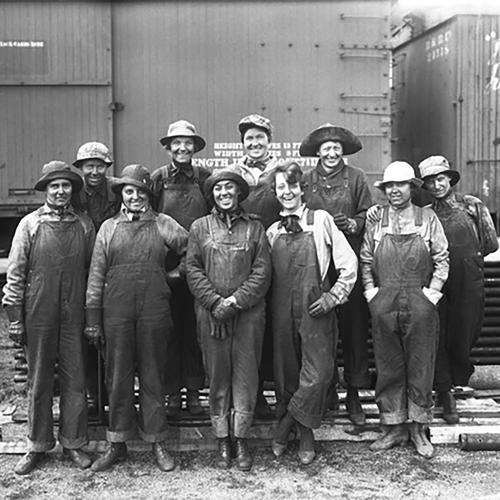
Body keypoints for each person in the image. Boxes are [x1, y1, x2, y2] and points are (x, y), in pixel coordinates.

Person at [85, 164, 188, 472]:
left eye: (140, 191)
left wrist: (174, 274)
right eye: (129, 191)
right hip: (116, 312)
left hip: (154, 310)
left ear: (148, 194)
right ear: (122, 195)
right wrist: (93, 318)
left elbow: (192, 250)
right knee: (117, 377)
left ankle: (157, 441)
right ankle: (116, 443)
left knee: (153, 375)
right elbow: (95, 275)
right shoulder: (108, 228)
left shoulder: (164, 223)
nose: (135, 196)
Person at [2, 161, 95, 475]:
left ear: (71, 190)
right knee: (39, 381)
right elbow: (14, 275)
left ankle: (73, 442)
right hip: (38, 312)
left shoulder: (84, 224)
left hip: (74, 314)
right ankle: (36, 445)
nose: (60, 191)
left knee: (75, 380)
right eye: (54, 186)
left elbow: (94, 274)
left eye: (65, 185)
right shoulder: (28, 224)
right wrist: (15, 317)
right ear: (45, 190)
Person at [267, 161, 358, 464]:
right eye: (281, 187)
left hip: (315, 307)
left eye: (292, 186)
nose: (287, 192)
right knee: (286, 372)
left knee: (318, 374)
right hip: (281, 309)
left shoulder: (321, 221)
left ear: (302, 189)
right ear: (275, 192)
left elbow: (349, 264)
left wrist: (334, 297)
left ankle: (288, 427)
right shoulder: (271, 232)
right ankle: (303, 431)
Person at [360, 161, 449, 458]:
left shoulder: (428, 217)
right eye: (389, 186)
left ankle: (419, 428)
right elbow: (365, 261)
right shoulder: (377, 219)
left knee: (421, 363)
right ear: (384, 190)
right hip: (384, 300)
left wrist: (432, 294)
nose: (394, 191)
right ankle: (394, 426)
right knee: (388, 365)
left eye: (400, 185)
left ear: (412, 186)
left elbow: (442, 258)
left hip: (419, 300)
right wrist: (372, 293)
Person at [186, 169, 271, 471]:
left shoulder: (255, 229)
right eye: (219, 188)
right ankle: (223, 439)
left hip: (248, 315)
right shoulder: (200, 227)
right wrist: (214, 303)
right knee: (218, 376)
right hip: (211, 315)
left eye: (229, 188)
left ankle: (242, 438)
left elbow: (262, 273)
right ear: (213, 194)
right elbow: (193, 269)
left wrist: (234, 302)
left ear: (238, 193)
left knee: (246, 377)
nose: (224, 193)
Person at [300, 123, 372, 425]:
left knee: (354, 328)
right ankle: (326, 390)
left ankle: (353, 394)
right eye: (326, 148)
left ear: (343, 151)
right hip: (317, 265)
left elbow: (368, 213)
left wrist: (353, 224)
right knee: (321, 330)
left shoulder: (356, 178)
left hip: (348, 262)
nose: (331, 153)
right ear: (318, 152)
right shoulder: (305, 180)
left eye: (336, 148)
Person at [419, 155, 498, 423]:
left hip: (469, 279)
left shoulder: (472, 206)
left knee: (466, 329)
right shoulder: (427, 212)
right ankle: (444, 390)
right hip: (439, 280)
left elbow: (489, 244)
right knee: (439, 331)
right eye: (430, 182)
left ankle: (457, 379)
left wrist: (468, 261)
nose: (437, 185)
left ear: (450, 180)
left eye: (440, 179)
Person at [151, 120, 209, 417]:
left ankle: (195, 392)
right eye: (177, 142)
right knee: (169, 331)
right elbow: (149, 220)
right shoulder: (158, 179)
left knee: (195, 331)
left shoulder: (204, 177)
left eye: (188, 143)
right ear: (168, 147)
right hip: (166, 269)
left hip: (200, 266)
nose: (183, 147)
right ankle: (172, 394)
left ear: (194, 147)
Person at [232, 114, 282, 417]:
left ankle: (280, 392)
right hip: (243, 259)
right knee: (250, 327)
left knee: (275, 326)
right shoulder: (233, 174)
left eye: (259, 137)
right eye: (249, 138)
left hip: (278, 256)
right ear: (243, 143)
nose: (254, 143)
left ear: (269, 141)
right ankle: (255, 394)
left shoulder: (281, 172)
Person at [73, 141, 120, 414]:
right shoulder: (74, 193)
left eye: (99, 165)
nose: (94, 171)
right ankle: (93, 396)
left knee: (114, 335)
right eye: (89, 165)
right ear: (80, 168)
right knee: (87, 335)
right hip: (83, 268)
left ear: (106, 167)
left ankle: (114, 397)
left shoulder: (116, 190)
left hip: (114, 268)